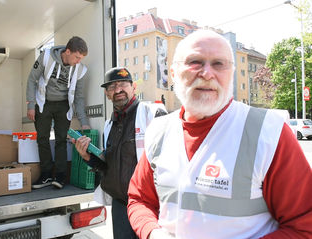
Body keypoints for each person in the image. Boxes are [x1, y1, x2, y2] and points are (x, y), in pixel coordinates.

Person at [127, 30, 312, 239]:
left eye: (218, 64)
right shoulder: (159, 131)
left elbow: (304, 226)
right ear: (173, 73)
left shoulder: (269, 132)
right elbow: (139, 200)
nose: (207, 73)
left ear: (231, 72)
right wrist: (153, 233)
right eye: (195, 62)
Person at [72, 67, 167, 239]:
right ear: (107, 94)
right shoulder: (109, 125)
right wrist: (87, 156)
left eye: (122, 84)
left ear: (133, 87)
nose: (118, 90)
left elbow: (169, 160)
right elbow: (108, 166)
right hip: (121, 205)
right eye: (111, 87)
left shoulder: (152, 114)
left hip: (150, 206)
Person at [26, 36, 90, 189]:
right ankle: (46, 175)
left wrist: (84, 122)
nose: (78, 61)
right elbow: (31, 79)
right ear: (67, 51)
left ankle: (60, 176)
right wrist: (30, 104)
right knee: (42, 138)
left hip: (63, 105)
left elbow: (79, 97)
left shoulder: (80, 70)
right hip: (44, 102)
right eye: (77, 57)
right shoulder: (46, 56)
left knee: (61, 140)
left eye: (81, 58)